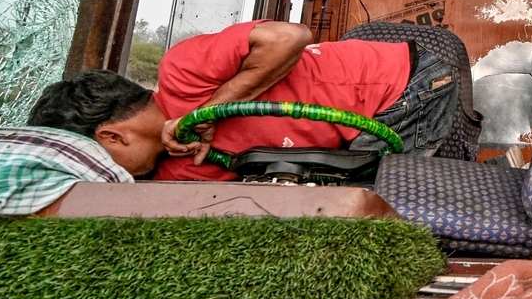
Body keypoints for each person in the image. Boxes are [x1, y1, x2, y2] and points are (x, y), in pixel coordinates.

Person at [27, 19, 459, 180]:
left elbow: (289, 37)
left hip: (407, 86)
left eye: (100, 166)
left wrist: (205, 113)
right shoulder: (176, 173)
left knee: (379, 195)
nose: (112, 179)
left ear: (112, 136)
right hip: (343, 146)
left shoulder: (182, 71)